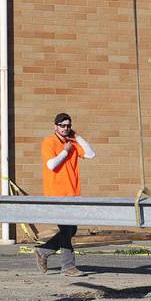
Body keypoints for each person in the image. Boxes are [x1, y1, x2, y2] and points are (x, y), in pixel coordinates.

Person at [35, 112, 96, 277]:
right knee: (67, 228)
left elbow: (91, 154)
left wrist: (77, 136)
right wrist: (64, 151)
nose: (65, 128)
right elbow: (51, 165)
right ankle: (68, 266)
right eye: (62, 125)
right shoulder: (49, 142)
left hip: (72, 193)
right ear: (55, 126)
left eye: (68, 125)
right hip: (56, 193)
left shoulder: (72, 142)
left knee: (71, 229)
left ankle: (43, 251)